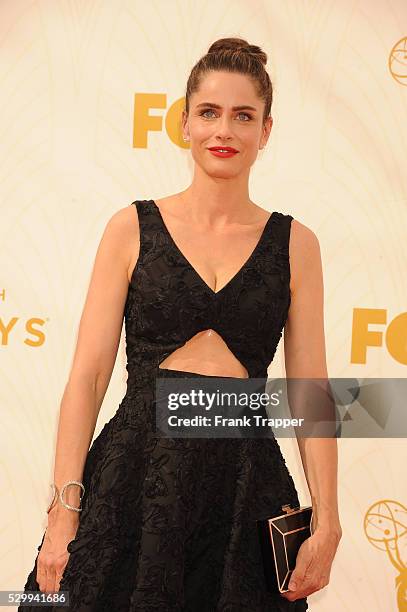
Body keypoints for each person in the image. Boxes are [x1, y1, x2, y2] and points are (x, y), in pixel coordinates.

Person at [20, 37, 342, 611]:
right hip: (134, 483)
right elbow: (89, 377)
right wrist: (63, 510)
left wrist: (330, 521)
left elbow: (309, 391)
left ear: (266, 131)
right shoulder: (131, 227)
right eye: (209, 113)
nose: (225, 131)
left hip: (244, 488)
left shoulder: (297, 245)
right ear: (185, 123)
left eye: (244, 116)